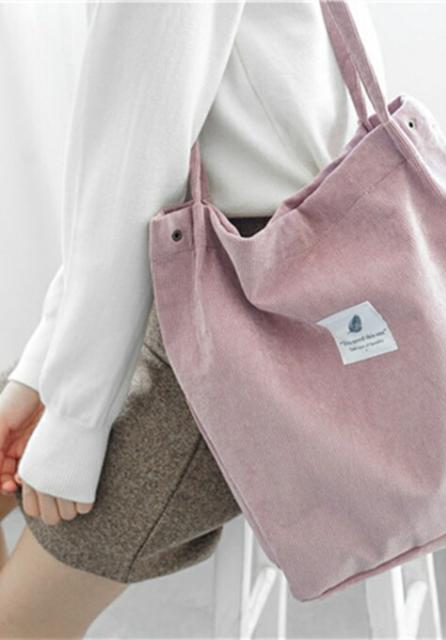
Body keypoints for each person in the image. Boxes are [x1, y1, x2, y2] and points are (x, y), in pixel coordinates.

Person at [0, 1, 386, 636]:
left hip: (234, 338)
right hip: (257, 296)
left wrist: (72, 418)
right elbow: (125, 190)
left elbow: (129, 187)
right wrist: (42, 375)